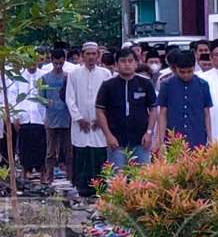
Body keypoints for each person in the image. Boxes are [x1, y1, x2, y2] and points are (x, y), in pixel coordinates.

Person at [95, 48, 158, 169]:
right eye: (123, 61)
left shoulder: (145, 83)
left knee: (142, 178)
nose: (127, 64)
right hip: (116, 141)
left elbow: (153, 109)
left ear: (136, 63)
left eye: (130, 61)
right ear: (116, 64)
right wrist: (108, 135)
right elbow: (99, 111)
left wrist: (149, 132)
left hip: (141, 140)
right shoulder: (108, 85)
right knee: (118, 179)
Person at [66, 42, 113, 197]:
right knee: (82, 154)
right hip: (80, 124)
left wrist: (101, 119)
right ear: (82, 55)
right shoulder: (74, 74)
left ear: (98, 55)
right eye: (88, 54)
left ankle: (99, 189)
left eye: (94, 54)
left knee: (99, 155)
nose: (91, 57)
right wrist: (79, 119)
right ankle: (82, 189)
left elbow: (109, 99)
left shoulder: (105, 74)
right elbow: (70, 99)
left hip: (99, 124)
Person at [155, 50, 214, 150]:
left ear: (194, 68)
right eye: (182, 72)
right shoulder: (166, 85)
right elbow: (162, 114)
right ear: (175, 68)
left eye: (189, 71)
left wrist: (210, 139)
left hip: (197, 138)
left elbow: (206, 113)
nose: (186, 75)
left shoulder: (203, 85)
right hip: (173, 139)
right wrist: (161, 141)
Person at [40, 49, 72, 185]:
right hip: (51, 118)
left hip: (66, 118)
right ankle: (49, 177)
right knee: (50, 151)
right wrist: (47, 102)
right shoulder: (45, 78)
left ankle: (71, 177)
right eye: (56, 63)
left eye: (61, 63)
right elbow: (40, 97)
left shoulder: (68, 77)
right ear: (51, 61)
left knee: (69, 150)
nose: (58, 66)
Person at [15, 60, 46, 180]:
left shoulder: (44, 75)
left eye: (34, 60)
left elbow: (45, 96)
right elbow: (14, 95)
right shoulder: (19, 77)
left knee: (41, 145)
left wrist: (46, 116)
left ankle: (41, 171)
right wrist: (15, 116)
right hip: (24, 116)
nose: (32, 64)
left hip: (39, 117)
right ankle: (26, 171)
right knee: (24, 146)